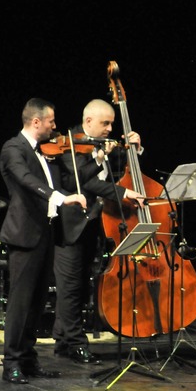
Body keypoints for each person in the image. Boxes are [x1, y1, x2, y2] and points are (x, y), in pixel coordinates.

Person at [0, 98, 87, 384]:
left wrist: (97, 161)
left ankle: (28, 359)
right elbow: (25, 179)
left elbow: (64, 181)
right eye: (51, 121)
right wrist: (59, 197)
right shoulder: (13, 148)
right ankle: (11, 362)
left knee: (37, 303)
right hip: (24, 235)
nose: (55, 126)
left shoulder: (44, 153)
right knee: (21, 302)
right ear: (36, 121)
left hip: (46, 233)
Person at [52, 99, 145, 364]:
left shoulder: (104, 144)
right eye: (105, 123)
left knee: (80, 286)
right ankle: (76, 343)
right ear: (88, 121)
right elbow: (84, 181)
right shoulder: (68, 143)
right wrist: (123, 192)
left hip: (96, 224)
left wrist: (134, 149)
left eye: (112, 124)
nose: (110, 129)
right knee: (70, 287)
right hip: (71, 227)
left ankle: (63, 339)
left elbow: (121, 171)